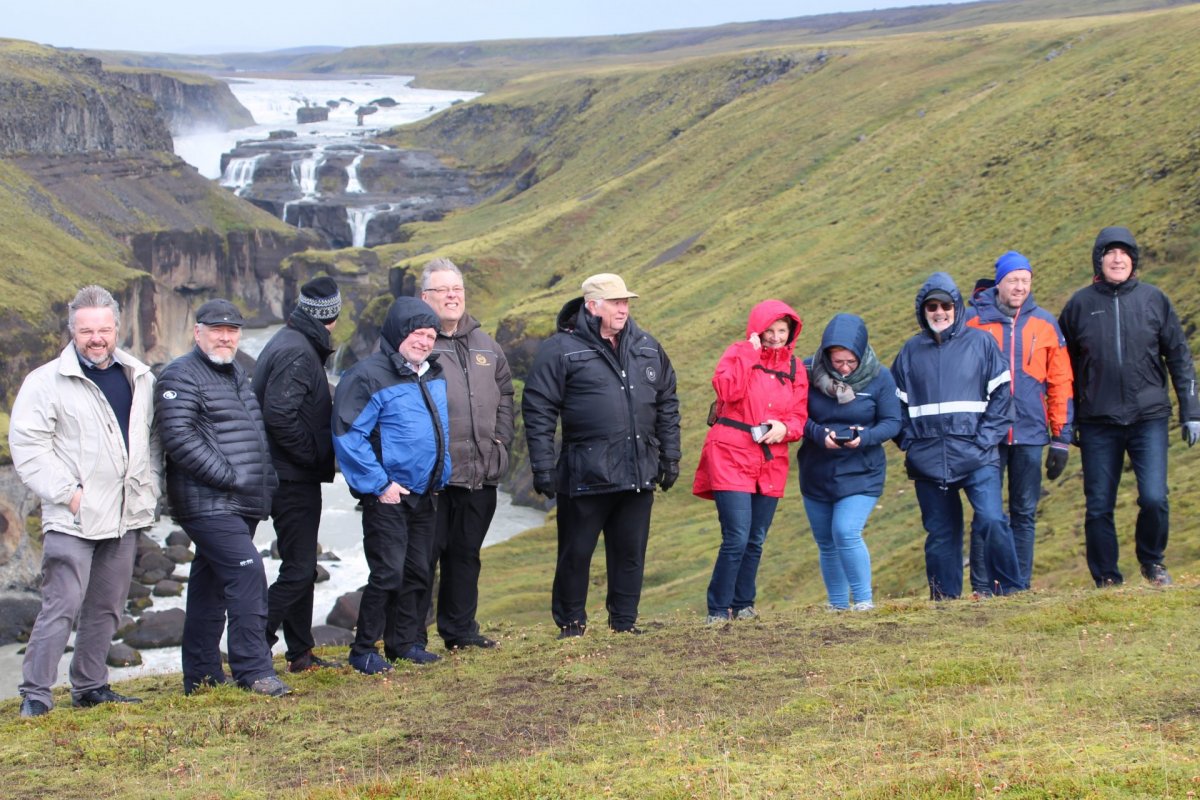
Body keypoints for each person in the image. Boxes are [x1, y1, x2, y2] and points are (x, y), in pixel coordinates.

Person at [9, 286, 162, 717]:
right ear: (72, 331)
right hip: (72, 518)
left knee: (107, 606)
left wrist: (149, 486)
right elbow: (28, 448)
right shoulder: (44, 382)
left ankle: (91, 687)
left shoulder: (139, 376)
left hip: (124, 513)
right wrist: (71, 496)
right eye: (86, 331)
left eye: (104, 329)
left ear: (117, 328)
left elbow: (151, 439)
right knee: (61, 605)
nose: (97, 338)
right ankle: (36, 695)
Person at [523, 273, 681, 638]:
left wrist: (670, 456)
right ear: (592, 306)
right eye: (615, 302)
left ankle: (624, 623)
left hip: (638, 469)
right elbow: (538, 408)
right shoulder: (560, 349)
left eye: (625, 302)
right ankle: (571, 625)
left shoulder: (647, 346)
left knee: (630, 552)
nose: (623, 309)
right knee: (575, 553)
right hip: (585, 473)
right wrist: (543, 466)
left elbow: (667, 402)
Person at [156, 299, 289, 697]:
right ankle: (254, 670)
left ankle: (201, 676)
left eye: (232, 331)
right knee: (248, 571)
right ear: (198, 333)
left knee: (209, 586)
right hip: (208, 501)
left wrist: (264, 481)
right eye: (217, 330)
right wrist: (229, 478)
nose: (226, 337)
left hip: (237, 501)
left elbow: (250, 434)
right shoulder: (180, 374)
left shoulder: (234, 374)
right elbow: (179, 437)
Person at [1058, 226, 1200, 587]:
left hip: (1148, 417)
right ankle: (1107, 577)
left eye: (1124, 253)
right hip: (1097, 421)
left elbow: (1179, 357)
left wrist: (1192, 412)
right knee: (1098, 505)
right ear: (1099, 260)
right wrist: (1066, 419)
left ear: (1133, 260)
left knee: (1154, 498)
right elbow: (1062, 369)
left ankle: (1152, 562)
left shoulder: (1155, 300)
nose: (1117, 259)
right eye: (1110, 253)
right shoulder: (1078, 305)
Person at [333, 296, 450, 673]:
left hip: (425, 492)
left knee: (418, 571)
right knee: (388, 573)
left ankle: (404, 644)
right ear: (399, 332)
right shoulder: (367, 375)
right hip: (388, 495)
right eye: (418, 333)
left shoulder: (432, 373)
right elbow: (348, 435)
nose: (425, 341)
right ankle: (364, 649)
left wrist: (440, 475)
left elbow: (437, 431)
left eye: (431, 335)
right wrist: (380, 484)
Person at [891, 272, 1022, 600]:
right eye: (932, 306)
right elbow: (895, 406)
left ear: (957, 307)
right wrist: (910, 443)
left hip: (977, 456)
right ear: (923, 310)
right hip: (928, 461)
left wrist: (984, 441)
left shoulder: (982, 344)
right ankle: (944, 601)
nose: (939, 312)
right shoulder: (909, 351)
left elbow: (1002, 397)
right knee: (940, 535)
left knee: (992, 520)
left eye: (945, 305)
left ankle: (1012, 591)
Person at [416, 258, 514, 651]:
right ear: (425, 297)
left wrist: (500, 443)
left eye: (457, 289)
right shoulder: (417, 343)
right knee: (423, 559)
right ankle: (410, 638)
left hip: (479, 473)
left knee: (466, 556)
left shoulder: (486, 345)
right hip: (433, 478)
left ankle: (460, 632)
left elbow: (505, 394)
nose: (452, 296)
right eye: (443, 290)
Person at [965, 251, 1074, 592]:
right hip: (987, 436)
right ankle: (982, 589)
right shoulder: (973, 322)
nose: (1019, 287)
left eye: (1025, 281)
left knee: (1024, 513)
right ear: (999, 283)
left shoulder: (1045, 324)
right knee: (987, 514)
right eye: (1013, 280)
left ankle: (1018, 588)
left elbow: (1060, 382)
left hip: (1030, 433)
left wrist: (1061, 437)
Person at [693, 300, 808, 623]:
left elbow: (799, 416)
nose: (775, 337)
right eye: (769, 330)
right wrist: (749, 352)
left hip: (770, 459)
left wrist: (784, 429)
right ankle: (718, 609)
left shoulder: (796, 368)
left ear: (791, 332)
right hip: (730, 454)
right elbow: (727, 390)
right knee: (736, 537)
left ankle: (743, 604)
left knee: (756, 539)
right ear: (757, 330)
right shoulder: (738, 353)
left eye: (782, 331)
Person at [254, 277, 343, 673]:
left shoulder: (290, 340)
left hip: (284, 472)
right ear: (332, 317)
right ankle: (254, 644)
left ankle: (301, 652)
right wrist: (313, 456)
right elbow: (279, 416)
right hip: (290, 477)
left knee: (299, 564)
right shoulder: (298, 352)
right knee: (299, 567)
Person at [798, 313, 901, 611]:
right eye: (837, 362)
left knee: (845, 531)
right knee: (826, 541)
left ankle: (864, 602)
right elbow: (794, 415)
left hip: (862, 471)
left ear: (861, 354)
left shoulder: (880, 377)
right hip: (816, 471)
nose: (844, 368)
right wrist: (819, 434)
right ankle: (838, 607)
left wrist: (864, 437)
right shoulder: (807, 372)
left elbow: (893, 422)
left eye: (850, 362)